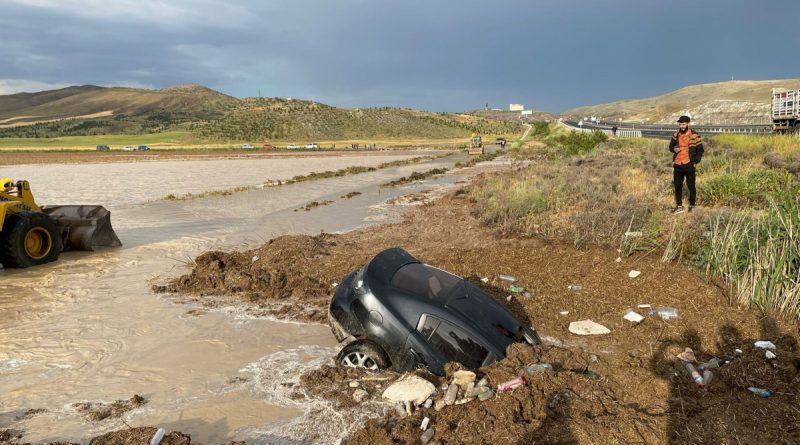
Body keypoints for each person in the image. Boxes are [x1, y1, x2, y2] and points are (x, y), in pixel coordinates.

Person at [668, 115, 704, 214]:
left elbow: (700, 150)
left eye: (683, 124)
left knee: (691, 185)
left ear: (688, 124)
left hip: (689, 164)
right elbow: (670, 147)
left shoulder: (694, 135)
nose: (682, 126)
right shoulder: (675, 134)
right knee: (677, 185)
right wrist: (673, 149)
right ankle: (679, 206)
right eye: (680, 124)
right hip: (678, 164)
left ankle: (692, 206)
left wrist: (695, 162)